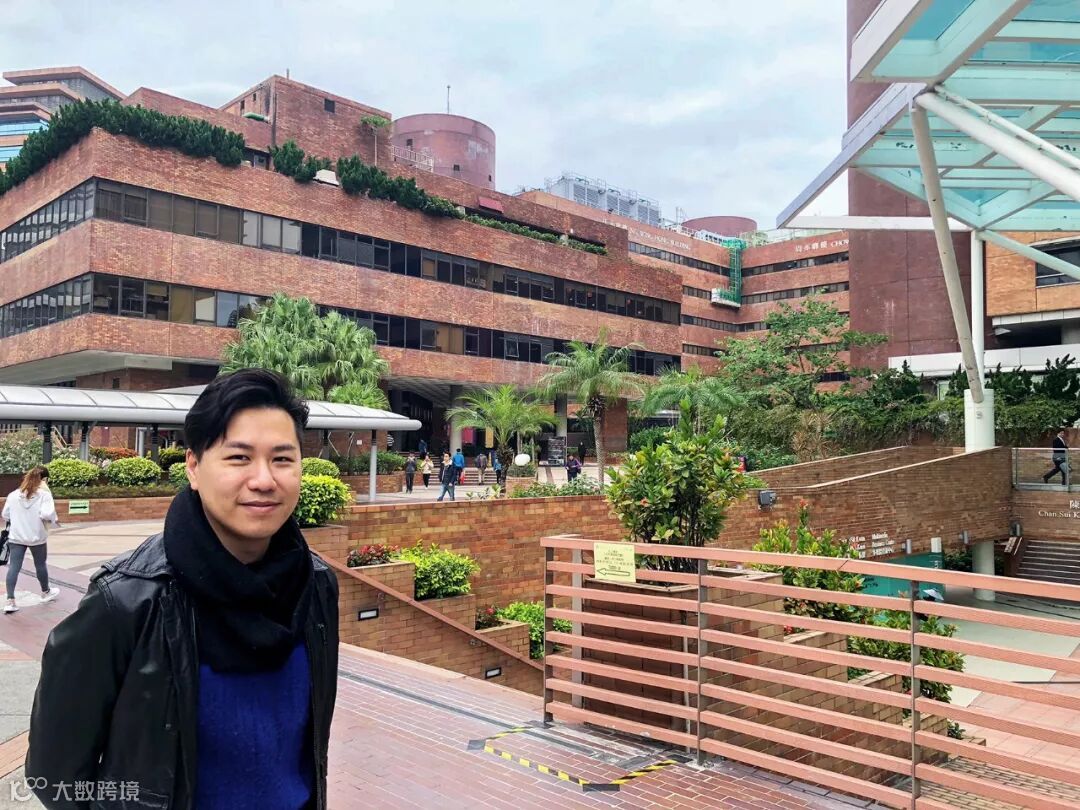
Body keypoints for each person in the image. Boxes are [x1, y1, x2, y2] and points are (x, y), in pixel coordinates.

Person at [25, 369, 339, 810]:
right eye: (239, 457)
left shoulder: (317, 585)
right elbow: (53, 774)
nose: (264, 480)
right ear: (193, 466)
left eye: (283, 459)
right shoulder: (127, 600)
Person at [2, 466, 61, 614]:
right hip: (37, 536)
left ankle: (10, 601)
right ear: (44, 479)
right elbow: (47, 514)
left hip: (16, 536)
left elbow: (5, 515)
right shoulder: (44, 495)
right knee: (40, 564)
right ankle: (45, 592)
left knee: (14, 567)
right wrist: (53, 520)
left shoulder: (13, 495)